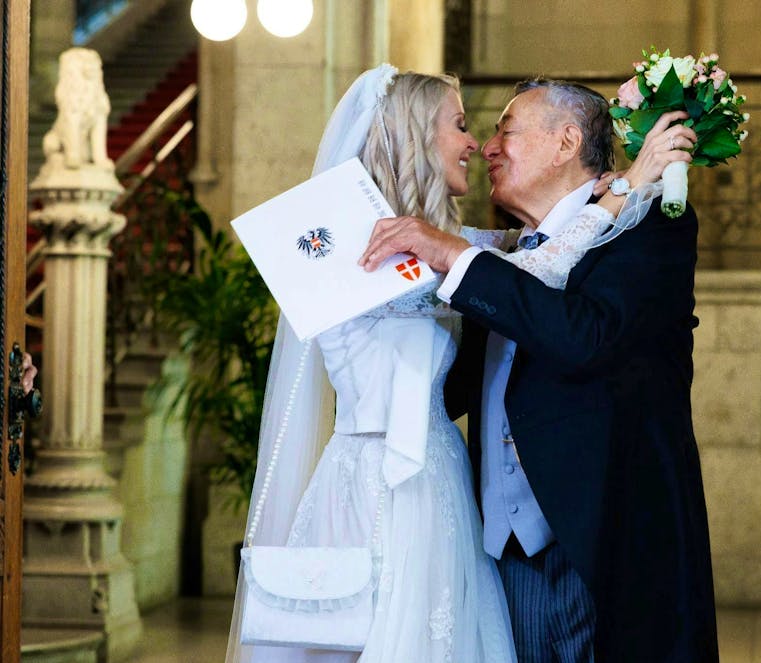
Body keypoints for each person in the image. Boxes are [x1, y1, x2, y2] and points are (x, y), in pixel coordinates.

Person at [227, 66, 685, 663]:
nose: (477, 144)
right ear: (415, 134)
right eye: (463, 125)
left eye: (492, 129)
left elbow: (515, 255)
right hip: (388, 484)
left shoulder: (439, 241)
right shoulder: (364, 243)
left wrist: (615, 195)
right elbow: (531, 272)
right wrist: (617, 195)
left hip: (445, 482)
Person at [361, 79, 719, 662]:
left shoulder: (649, 225)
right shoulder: (504, 256)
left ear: (566, 142)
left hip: (605, 545)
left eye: (507, 129)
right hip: (503, 556)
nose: (488, 147)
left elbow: (583, 337)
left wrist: (454, 257)